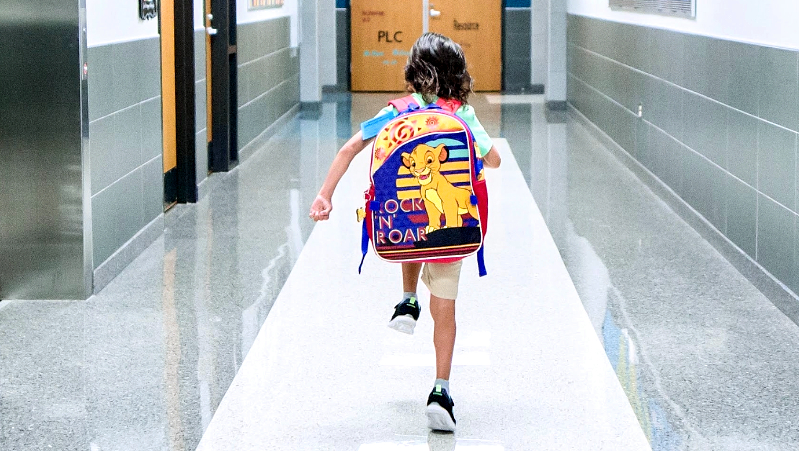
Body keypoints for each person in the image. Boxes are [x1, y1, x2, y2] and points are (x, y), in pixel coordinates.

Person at [309, 32, 501, 432]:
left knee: (410, 227)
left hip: (403, 225)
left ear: (414, 72)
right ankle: (441, 391)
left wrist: (325, 195)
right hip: (453, 227)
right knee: (445, 307)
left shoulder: (397, 111)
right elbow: (494, 160)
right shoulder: (462, 113)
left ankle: (408, 299)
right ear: (457, 73)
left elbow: (348, 149)